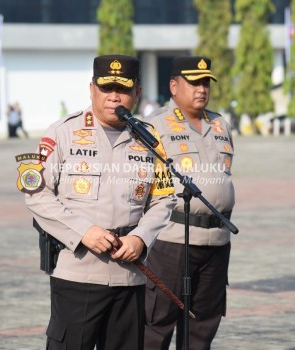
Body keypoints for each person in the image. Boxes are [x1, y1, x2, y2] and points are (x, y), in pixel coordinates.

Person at [24, 54, 177, 350]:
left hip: (129, 275)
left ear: (137, 93)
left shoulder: (150, 139)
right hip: (78, 272)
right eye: (106, 88)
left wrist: (140, 239)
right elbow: (36, 193)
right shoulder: (62, 132)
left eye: (122, 89)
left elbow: (164, 196)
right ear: (92, 89)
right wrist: (84, 232)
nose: (114, 97)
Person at [144, 56, 235, 350]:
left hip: (217, 240)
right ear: (174, 86)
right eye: (194, 82)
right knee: (157, 324)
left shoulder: (220, 123)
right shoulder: (154, 124)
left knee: (202, 326)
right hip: (172, 240)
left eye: (205, 82)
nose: (201, 89)